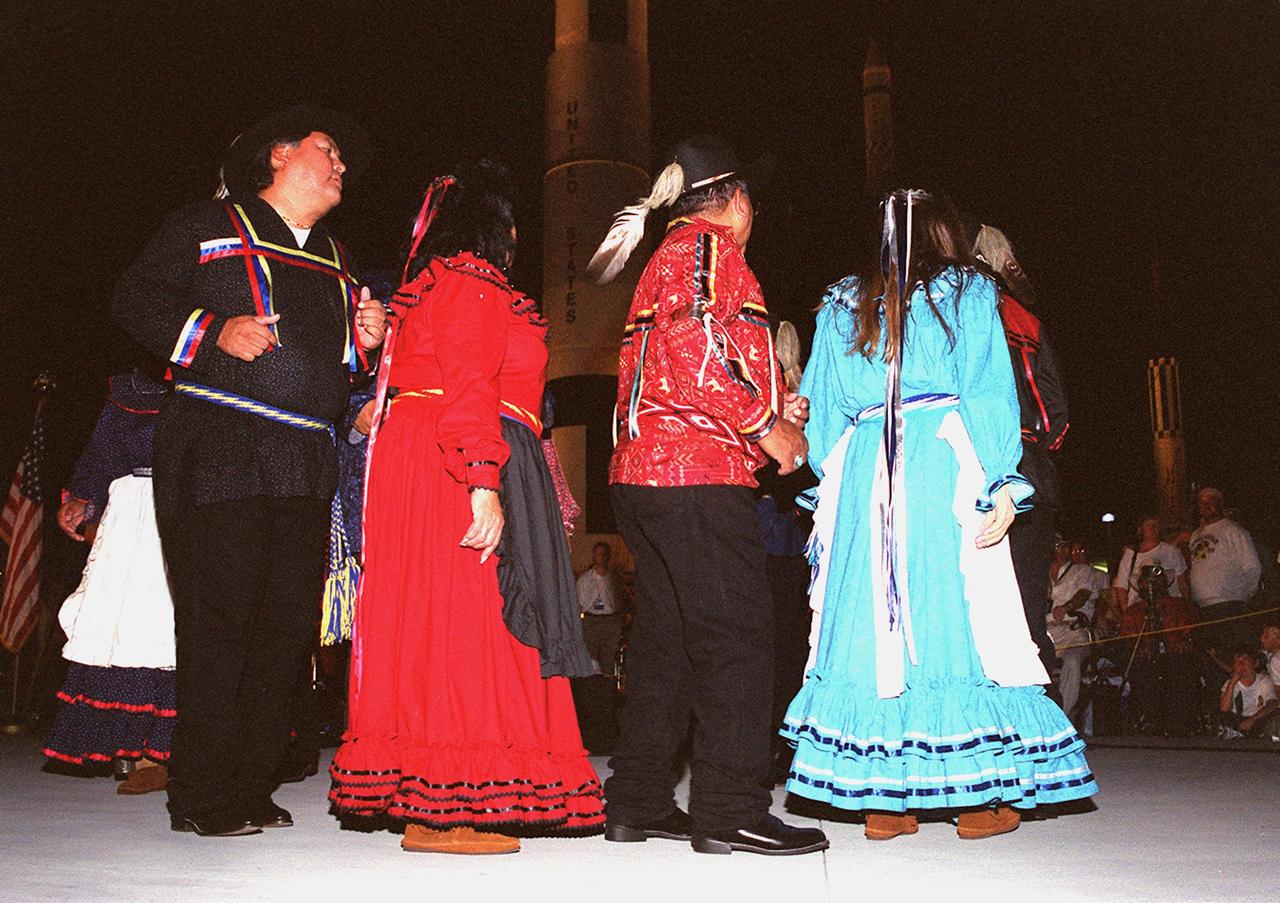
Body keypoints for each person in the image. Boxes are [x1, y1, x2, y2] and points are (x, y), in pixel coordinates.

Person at [783, 189, 1097, 842]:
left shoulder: (844, 299)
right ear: (944, 234)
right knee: (959, 614)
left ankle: (884, 800)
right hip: (941, 458)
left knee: (875, 621)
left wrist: (828, 477)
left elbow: (822, 402)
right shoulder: (967, 291)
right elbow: (987, 388)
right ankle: (978, 796)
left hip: (867, 468)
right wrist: (1005, 480)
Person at [111, 105, 387, 837]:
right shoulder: (203, 226)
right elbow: (134, 297)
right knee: (222, 617)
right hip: (219, 443)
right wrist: (211, 330)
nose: (340, 167)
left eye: (343, 162)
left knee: (286, 627)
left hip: (304, 455)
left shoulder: (338, 257)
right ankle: (201, 791)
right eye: (328, 151)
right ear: (278, 155)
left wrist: (365, 343)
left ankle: (249, 779)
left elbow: (339, 373)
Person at [328, 162, 604, 855]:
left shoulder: (426, 289)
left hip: (418, 456)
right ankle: (459, 805)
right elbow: (470, 380)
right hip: (457, 458)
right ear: (493, 225)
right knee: (470, 619)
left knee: (425, 619)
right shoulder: (473, 281)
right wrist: (483, 477)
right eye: (510, 224)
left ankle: (425, 796)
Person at [588, 136, 826, 856]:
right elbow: (694, 353)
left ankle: (638, 799)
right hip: (694, 472)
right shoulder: (710, 250)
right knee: (736, 634)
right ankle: (728, 806)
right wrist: (765, 426)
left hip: (647, 475)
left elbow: (676, 357)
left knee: (668, 643)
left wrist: (780, 402)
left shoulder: (670, 257)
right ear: (736, 199)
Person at [44, 373, 174, 795]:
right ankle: (133, 749)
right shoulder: (134, 386)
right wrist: (84, 497)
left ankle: (165, 753)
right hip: (133, 510)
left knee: (169, 628)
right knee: (123, 629)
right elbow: (104, 449)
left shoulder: (224, 369)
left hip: (190, 504)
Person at [973, 224, 1069, 671]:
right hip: (1031, 467)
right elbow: (1055, 409)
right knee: (1028, 597)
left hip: (980, 465)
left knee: (982, 597)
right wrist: (1038, 443)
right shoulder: (1024, 317)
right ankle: (1039, 705)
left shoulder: (967, 311)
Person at [1118, 565, 1200, 736]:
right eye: (1147, 581)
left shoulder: (1180, 605)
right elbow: (1128, 639)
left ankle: (1180, 723)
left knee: (1183, 669)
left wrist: (1185, 643)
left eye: (1156, 579)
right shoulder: (1133, 612)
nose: (1152, 584)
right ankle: (1151, 721)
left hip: (1176, 658)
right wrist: (1140, 648)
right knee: (1142, 671)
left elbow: (1192, 631)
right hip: (1146, 661)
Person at [1188, 487, 1261, 655]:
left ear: (1219, 504)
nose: (1205, 505)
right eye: (1202, 502)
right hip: (1204, 608)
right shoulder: (1195, 535)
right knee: (1213, 660)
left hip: (1229, 605)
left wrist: (1245, 595)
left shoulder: (1234, 531)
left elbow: (1252, 566)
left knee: (1233, 655)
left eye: (1210, 501)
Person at [1047, 538, 1108, 720]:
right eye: (1058, 546)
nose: (1062, 550)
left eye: (1065, 546)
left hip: (1073, 630)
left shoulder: (1082, 570)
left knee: (1073, 661)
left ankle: (1063, 717)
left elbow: (1083, 594)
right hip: (1047, 631)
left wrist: (1066, 607)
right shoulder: (1041, 573)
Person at [1111, 516, 1189, 617]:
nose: (1155, 528)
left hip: (1169, 610)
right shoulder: (1131, 554)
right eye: (1150, 525)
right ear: (1141, 529)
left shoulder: (1171, 551)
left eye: (1156, 525)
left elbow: (1182, 581)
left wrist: (1186, 606)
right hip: (1139, 611)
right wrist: (1127, 613)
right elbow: (1121, 585)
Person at [577, 541, 627, 674]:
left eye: (605, 554)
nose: (602, 557)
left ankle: (607, 689)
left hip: (610, 622)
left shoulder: (615, 578)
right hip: (591, 621)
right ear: (594, 556)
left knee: (608, 659)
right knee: (590, 659)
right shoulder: (585, 579)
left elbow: (621, 601)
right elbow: (580, 603)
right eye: (599, 554)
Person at [1217, 647, 1278, 739]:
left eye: (1245, 660)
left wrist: (1253, 719)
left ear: (1254, 663)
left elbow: (1272, 703)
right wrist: (1232, 683)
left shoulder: (1263, 680)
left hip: (1256, 718)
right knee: (1224, 716)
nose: (1241, 665)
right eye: (1237, 662)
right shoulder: (1229, 684)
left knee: (1273, 715)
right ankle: (1234, 733)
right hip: (1237, 719)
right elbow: (1224, 709)